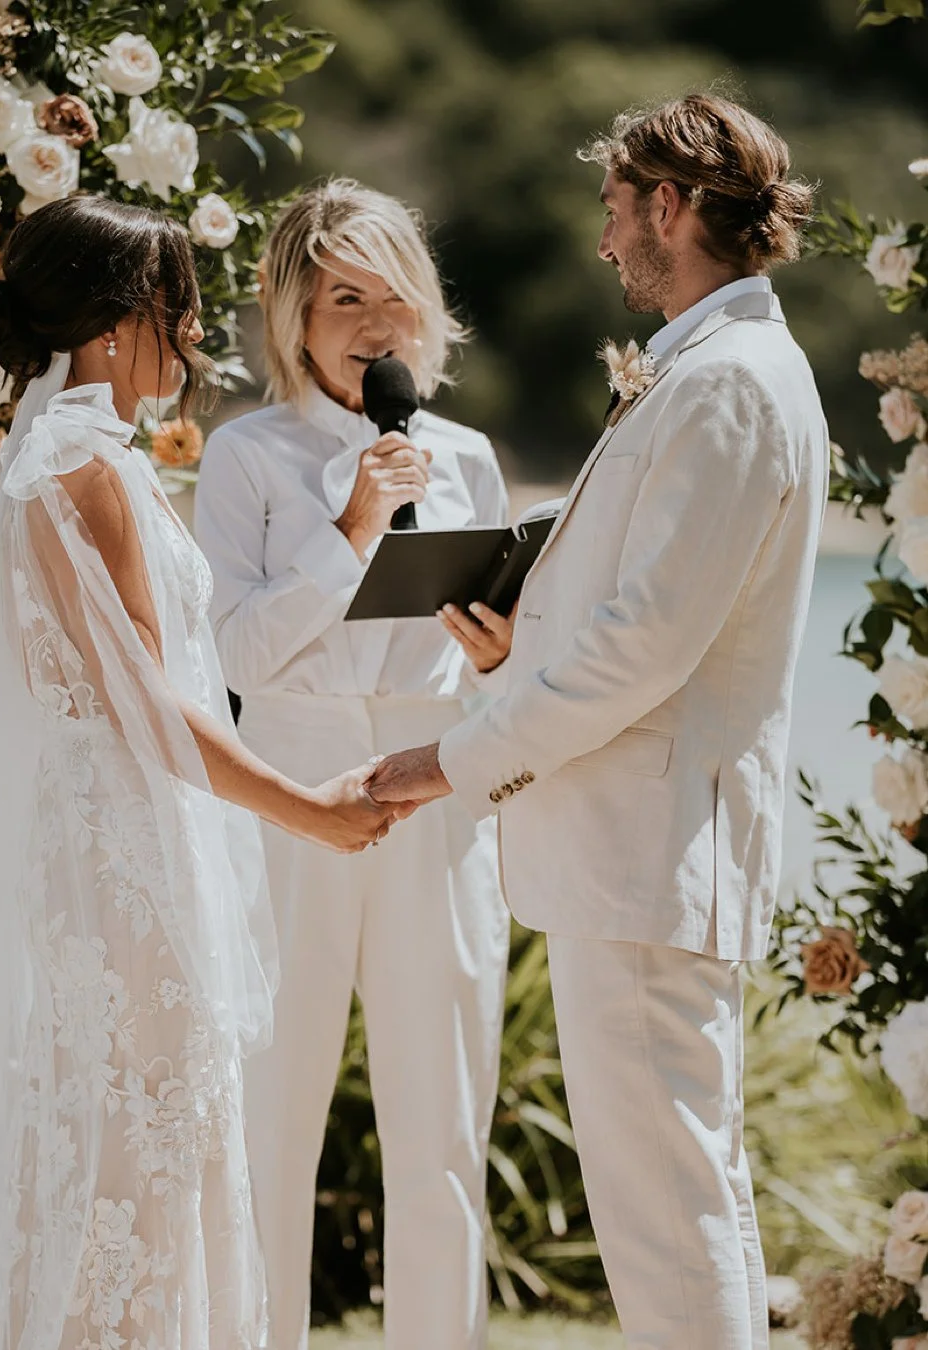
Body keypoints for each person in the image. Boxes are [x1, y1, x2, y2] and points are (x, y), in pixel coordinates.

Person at [370, 94, 827, 1350]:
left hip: (647, 851)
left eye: (618, 210)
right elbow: (647, 618)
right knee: (682, 1190)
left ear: (671, 207)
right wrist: (527, 644)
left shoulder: (729, 383)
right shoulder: (708, 368)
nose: (605, 240)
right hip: (635, 845)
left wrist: (452, 758)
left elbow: (649, 644)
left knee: (666, 1206)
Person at [0, 194, 399, 1350]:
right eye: (180, 310)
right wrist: (311, 809)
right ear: (114, 324)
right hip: (128, 864)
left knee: (114, 1158)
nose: (197, 337)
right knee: (147, 1170)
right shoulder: (86, 469)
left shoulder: (50, 452)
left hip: (103, 847)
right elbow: (150, 707)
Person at [194, 179, 512, 1350]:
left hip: (438, 789)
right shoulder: (248, 456)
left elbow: (499, 664)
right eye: (345, 297)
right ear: (295, 313)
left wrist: (501, 652)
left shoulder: (469, 457)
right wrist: (353, 532)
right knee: (277, 1107)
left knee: (443, 1117)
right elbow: (233, 652)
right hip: (294, 784)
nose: (378, 324)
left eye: (395, 297)